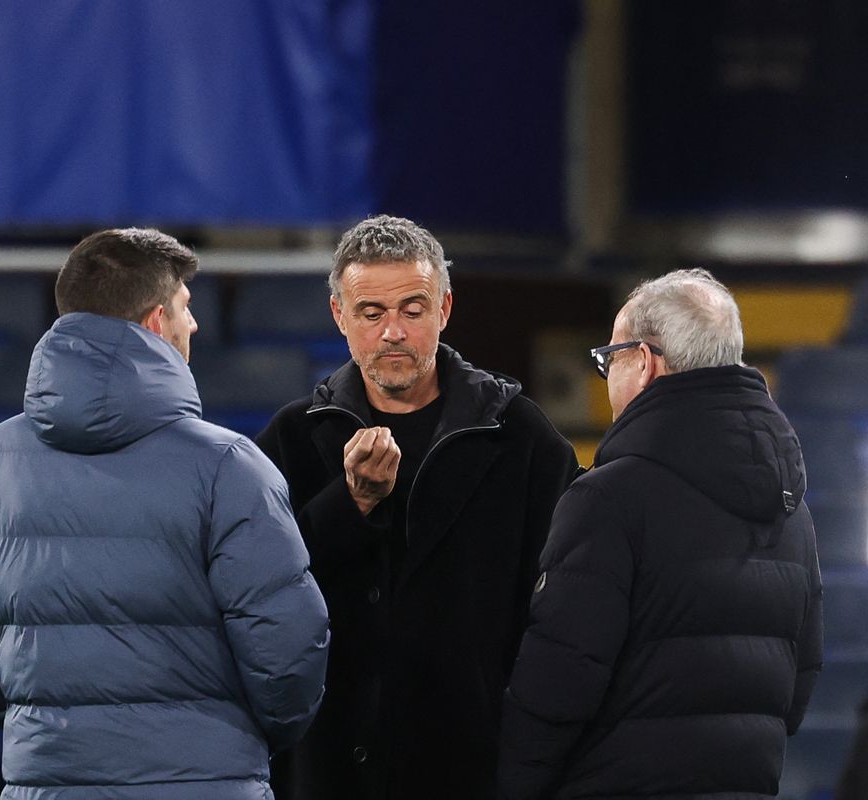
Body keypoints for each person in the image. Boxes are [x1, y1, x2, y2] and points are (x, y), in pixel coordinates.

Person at [0, 228, 330, 800]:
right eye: (184, 309)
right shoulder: (230, 467)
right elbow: (288, 650)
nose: (193, 325)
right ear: (153, 323)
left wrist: (40, 716)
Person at [255, 214, 579, 799]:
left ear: (444, 310)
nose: (393, 333)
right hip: (325, 766)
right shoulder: (292, 439)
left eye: (413, 309)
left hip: (473, 768)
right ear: (339, 316)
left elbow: (562, 607)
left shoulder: (519, 437)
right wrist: (348, 504)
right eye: (372, 313)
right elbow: (258, 589)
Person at [499, 269, 824, 798]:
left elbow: (559, 685)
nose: (606, 380)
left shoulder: (607, 499)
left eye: (609, 359)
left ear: (645, 362)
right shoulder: (793, 509)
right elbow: (797, 691)